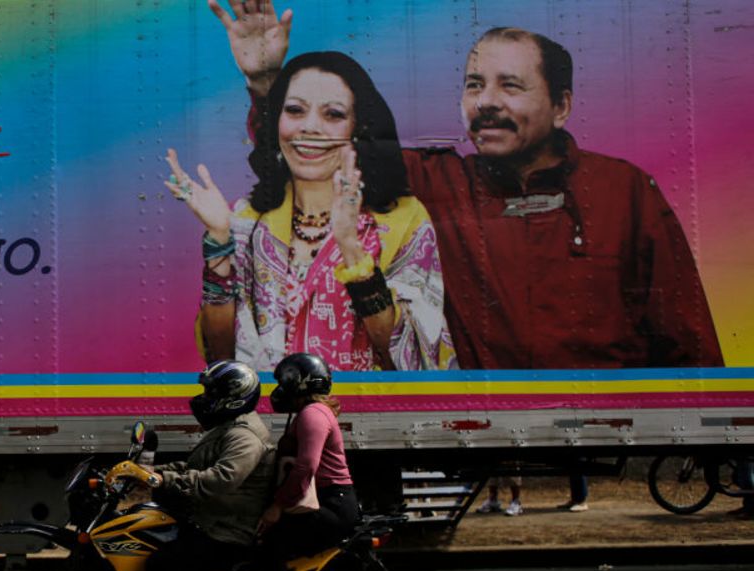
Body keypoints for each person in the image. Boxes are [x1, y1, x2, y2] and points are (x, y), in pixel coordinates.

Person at [213, 1, 724, 369]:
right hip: (484, 421)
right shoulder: (439, 183)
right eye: (475, 85)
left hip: (604, 427)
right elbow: (320, 150)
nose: (486, 102)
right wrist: (265, 84)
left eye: (511, 86)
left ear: (562, 105)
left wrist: (721, 436)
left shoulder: (622, 190)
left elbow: (683, 322)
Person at [164, 51, 456, 372]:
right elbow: (222, 355)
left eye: (333, 114)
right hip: (272, 414)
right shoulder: (248, 221)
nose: (310, 128)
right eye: (295, 111)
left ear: (359, 128)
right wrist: (220, 239)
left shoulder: (403, 219)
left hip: (364, 415)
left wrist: (351, 249)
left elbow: (413, 358)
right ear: (277, 122)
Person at [142, 359, 276, 571]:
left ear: (233, 395)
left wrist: (165, 482)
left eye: (211, 392)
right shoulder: (230, 427)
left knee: (161, 565)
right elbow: (195, 469)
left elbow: (220, 480)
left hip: (228, 532)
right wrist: (151, 474)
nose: (203, 399)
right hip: (216, 522)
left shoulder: (244, 435)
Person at [253, 352, 360, 571]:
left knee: (270, 548)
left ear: (298, 384)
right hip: (327, 501)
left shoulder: (312, 415)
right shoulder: (313, 413)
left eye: (284, 382)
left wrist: (278, 506)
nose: (279, 390)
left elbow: (305, 467)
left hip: (332, 505)